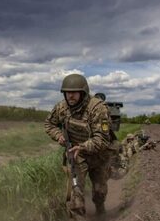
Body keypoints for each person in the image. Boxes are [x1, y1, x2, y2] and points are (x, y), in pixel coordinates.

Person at [44, 74, 113, 220]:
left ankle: (100, 210)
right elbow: (49, 124)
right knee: (76, 192)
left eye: (74, 92)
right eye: (67, 92)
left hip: (99, 155)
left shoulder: (98, 109)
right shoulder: (61, 107)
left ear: (83, 93)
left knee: (99, 191)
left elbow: (102, 139)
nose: (70, 96)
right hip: (77, 156)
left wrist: (82, 146)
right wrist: (59, 136)